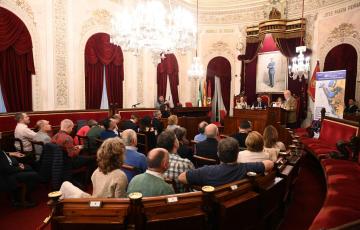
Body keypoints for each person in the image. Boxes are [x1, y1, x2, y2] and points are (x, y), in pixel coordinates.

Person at [178, 137, 274, 187]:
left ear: (218, 154)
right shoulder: (246, 168)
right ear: (237, 154)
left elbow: (181, 177)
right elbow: (270, 163)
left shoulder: (207, 171)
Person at [60, 138, 128, 198]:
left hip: (96, 204)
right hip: (109, 209)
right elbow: (120, 202)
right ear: (120, 156)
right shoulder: (120, 175)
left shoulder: (96, 171)